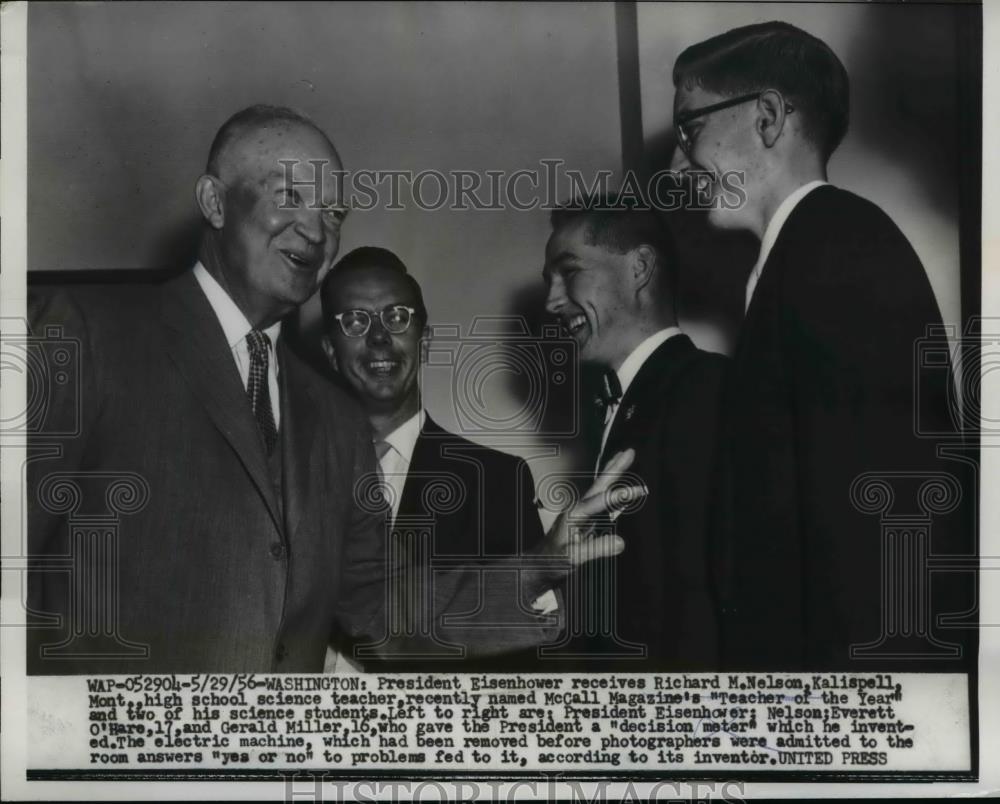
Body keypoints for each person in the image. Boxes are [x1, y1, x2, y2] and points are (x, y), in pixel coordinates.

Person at [26, 105, 638, 675]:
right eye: (290, 196)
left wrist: (540, 567)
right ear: (214, 201)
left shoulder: (333, 415)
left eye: (334, 212)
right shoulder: (87, 336)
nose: (315, 230)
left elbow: (376, 607)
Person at [670, 22, 974, 670]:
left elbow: (878, 520)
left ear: (769, 117)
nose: (677, 166)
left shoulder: (836, 252)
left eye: (690, 130)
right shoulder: (814, 249)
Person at [319, 246, 551, 670]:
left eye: (398, 317)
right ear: (330, 351)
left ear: (425, 342)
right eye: (354, 320)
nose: (378, 336)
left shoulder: (496, 482)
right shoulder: (291, 472)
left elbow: (522, 660)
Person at [542, 195, 727, 670]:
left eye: (569, 272)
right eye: (550, 281)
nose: (552, 301)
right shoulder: (633, 400)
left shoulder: (705, 390)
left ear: (640, 267)